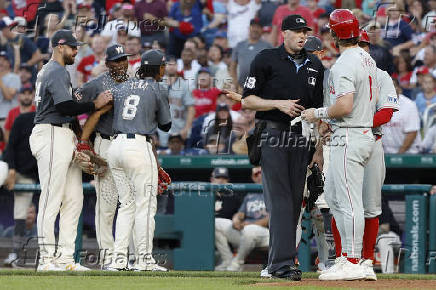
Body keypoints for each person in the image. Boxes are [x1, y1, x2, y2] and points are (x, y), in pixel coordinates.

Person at [228, 14, 324, 280]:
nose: (302, 36)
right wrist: (278, 103)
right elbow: (247, 101)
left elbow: (318, 107)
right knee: (281, 200)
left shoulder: (315, 64)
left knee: (294, 202)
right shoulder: (266, 58)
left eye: (305, 31)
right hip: (273, 134)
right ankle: (283, 264)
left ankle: (276, 263)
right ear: (284, 33)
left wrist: (317, 146)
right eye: (297, 31)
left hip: (302, 137)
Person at [302, 9, 377, 281]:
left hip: (350, 133)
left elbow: (344, 105)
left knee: (347, 201)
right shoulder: (366, 59)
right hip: (357, 131)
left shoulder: (345, 62)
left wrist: (317, 113)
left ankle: (354, 260)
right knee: (336, 198)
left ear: (335, 34)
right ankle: (347, 257)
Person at [29, 30, 112, 272]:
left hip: (64, 134)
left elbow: (67, 110)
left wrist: (79, 139)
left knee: (74, 199)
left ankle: (65, 259)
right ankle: (46, 260)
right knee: (51, 198)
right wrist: (94, 105)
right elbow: (65, 106)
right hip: (51, 132)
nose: (76, 51)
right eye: (73, 47)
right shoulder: (54, 69)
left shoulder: (56, 71)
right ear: (59, 46)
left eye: (77, 47)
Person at [321, 30, 400, 281]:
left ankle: (364, 260)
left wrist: (360, 123)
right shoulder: (342, 70)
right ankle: (343, 257)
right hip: (344, 140)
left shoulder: (381, 75)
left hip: (370, 141)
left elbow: (386, 112)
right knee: (337, 201)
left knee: (370, 206)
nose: (363, 48)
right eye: (360, 43)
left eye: (366, 44)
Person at [107, 49, 171, 271]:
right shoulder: (157, 87)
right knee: (145, 205)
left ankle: (118, 260)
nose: (165, 69)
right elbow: (166, 125)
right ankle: (143, 260)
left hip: (115, 147)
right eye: (163, 66)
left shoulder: (122, 86)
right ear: (158, 68)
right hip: (137, 146)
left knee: (126, 205)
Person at [74, 44, 131, 269]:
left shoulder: (135, 84)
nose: (121, 64)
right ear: (107, 64)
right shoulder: (97, 84)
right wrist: (83, 140)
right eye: (116, 60)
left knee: (130, 204)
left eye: (123, 59)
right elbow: (69, 105)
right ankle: (109, 258)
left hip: (130, 145)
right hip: (106, 144)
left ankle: (126, 257)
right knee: (107, 206)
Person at [2, 111, 38, 267]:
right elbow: (10, 147)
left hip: (27, 176)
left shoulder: (53, 123)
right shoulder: (23, 119)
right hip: (11, 169)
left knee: (20, 214)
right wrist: (11, 169)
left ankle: (15, 255)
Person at [217, 167, 269, 272]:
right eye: (256, 174)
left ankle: (237, 264)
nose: (259, 176)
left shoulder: (272, 192)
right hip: (246, 233)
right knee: (216, 223)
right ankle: (228, 260)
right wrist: (236, 220)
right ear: (252, 178)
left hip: (267, 235)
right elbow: (240, 213)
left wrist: (247, 225)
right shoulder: (250, 195)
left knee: (251, 230)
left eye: (261, 173)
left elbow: (270, 219)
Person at [213, 167, 243, 270]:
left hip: (231, 230)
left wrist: (238, 219)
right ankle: (228, 261)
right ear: (212, 179)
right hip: (211, 232)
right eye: (218, 177)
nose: (221, 180)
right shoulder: (204, 195)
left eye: (224, 178)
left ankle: (228, 261)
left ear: (228, 181)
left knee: (214, 223)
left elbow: (241, 215)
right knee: (212, 224)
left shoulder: (234, 197)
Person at [231, 18, 272, 92]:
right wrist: (235, 83)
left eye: (258, 27)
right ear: (249, 28)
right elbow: (233, 66)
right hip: (242, 87)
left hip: (262, 87)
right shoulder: (239, 45)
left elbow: (273, 66)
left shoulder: (267, 46)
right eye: (253, 27)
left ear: (261, 29)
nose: (255, 29)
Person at [382, 78, 421, 154]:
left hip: (409, 153)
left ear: (399, 89)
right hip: (386, 154)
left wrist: (399, 155)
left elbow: (412, 132)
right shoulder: (377, 104)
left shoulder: (409, 105)